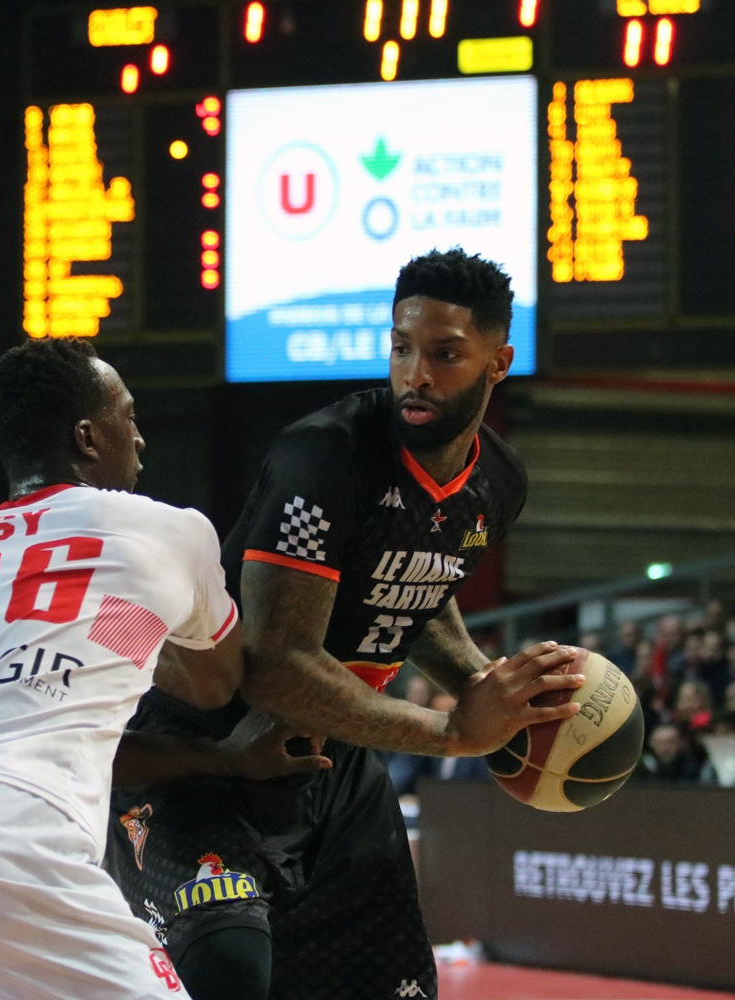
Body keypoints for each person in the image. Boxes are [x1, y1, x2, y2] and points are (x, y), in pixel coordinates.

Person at [107, 249, 582, 1000]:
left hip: (337, 764)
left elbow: (416, 587)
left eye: (445, 354)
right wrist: (457, 733)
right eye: (400, 348)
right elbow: (277, 663)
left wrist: (488, 689)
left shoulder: (499, 483)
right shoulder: (323, 455)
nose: (415, 374)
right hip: (205, 750)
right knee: (231, 974)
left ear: (499, 364)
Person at [0, 340, 324, 1000]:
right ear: (87, 436)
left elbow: (8, 712)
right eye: (129, 417)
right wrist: (123, 630)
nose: (142, 439)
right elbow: (214, 685)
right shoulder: (168, 527)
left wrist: (99, 632)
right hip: (4, 822)